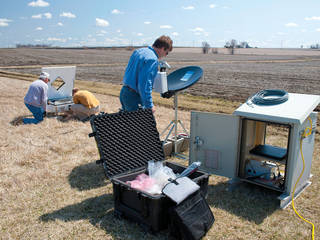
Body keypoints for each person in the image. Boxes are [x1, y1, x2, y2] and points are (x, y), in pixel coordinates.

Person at [120, 35, 173, 113]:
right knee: (141, 124)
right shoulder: (152, 59)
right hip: (134, 97)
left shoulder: (139, 51)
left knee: (128, 124)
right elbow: (144, 84)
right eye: (167, 52)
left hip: (124, 92)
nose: (165, 55)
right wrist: (149, 105)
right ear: (162, 49)